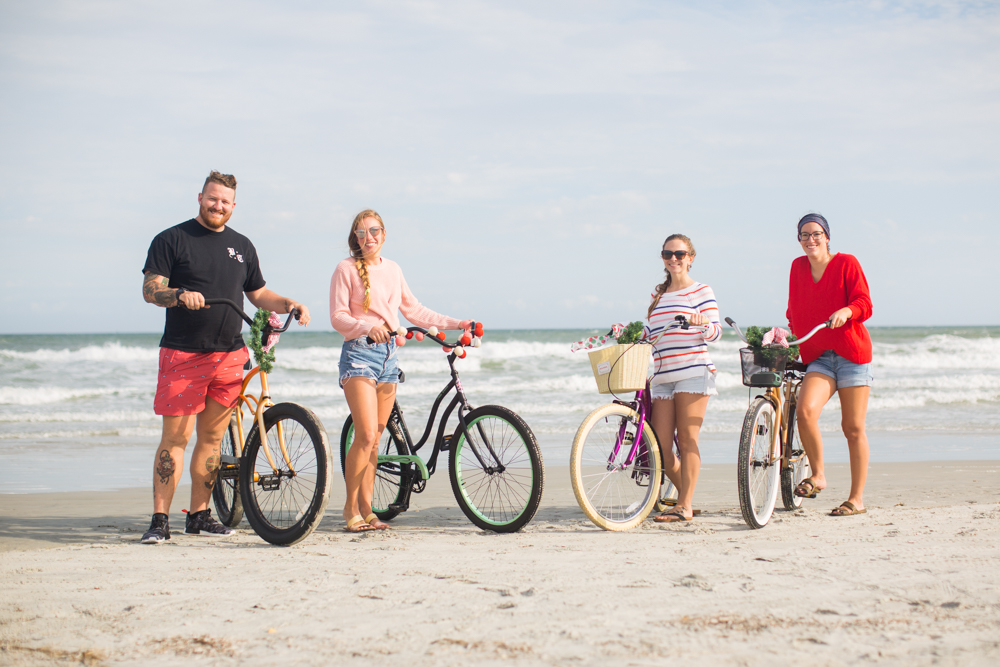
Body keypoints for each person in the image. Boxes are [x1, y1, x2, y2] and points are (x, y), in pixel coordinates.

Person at [139, 171, 311, 544]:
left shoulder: (242, 246)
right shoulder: (172, 239)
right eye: (212, 199)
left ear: (234, 206)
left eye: (225, 202)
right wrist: (178, 293)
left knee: (212, 439)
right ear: (200, 197)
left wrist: (290, 303)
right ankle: (160, 520)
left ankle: (199, 516)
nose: (218, 206)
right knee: (176, 438)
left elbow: (259, 293)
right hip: (183, 354)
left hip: (229, 355)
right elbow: (151, 289)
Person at [330, 209, 471, 532]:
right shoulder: (346, 269)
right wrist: (367, 326)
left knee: (376, 441)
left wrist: (455, 323)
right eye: (362, 233)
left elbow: (414, 310)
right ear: (355, 237)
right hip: (359, 356)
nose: (369, 238)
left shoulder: (393, 269)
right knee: (365, 435)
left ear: (384, 233)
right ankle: (349, 508)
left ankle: (367, 510)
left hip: (389, 358)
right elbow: (338, 316)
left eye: (375, 231)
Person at [786, 213, 873, 517]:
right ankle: (818, 475)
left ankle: (857, 498)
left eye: (816, 234)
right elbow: (794, 309)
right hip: (819, 356)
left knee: (852, 427)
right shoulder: (797, 267)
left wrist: (847, 311)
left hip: (851, 353)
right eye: (804, 235)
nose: (810, 240)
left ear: (827, 236)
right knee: (805, 411)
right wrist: (789, 336)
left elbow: (865, 303)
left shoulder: (847, 263)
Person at [645, 234, 722, 523]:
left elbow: (716, 332)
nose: (673, 259)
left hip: (693, 370)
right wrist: (631, 335)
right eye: (668, 254)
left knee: (688, 440)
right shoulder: (659, 296)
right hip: (663, 375)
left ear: (690, 257)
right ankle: (685, 497)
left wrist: (703, 324)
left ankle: (685, 505)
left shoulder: (701, 291)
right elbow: (653, 334)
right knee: (661, 446)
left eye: (679, 254)